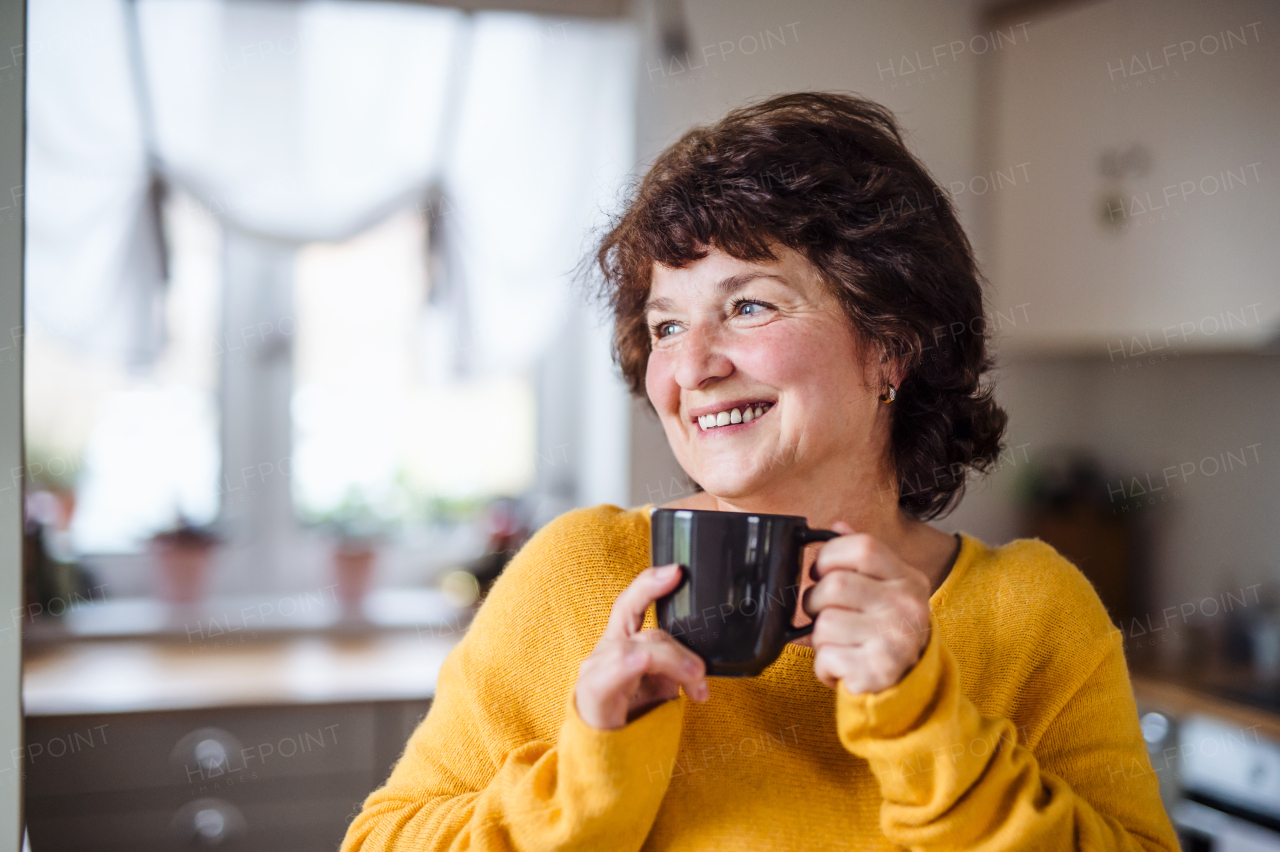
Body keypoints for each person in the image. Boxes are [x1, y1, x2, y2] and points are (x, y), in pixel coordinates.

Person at [340, 92, 1179, 851]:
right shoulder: (576, 575)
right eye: (666, 325)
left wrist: (926, 722)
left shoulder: (1033, 612)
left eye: (748, 306)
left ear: (890, 344)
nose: (693, 365)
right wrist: (587, 771)